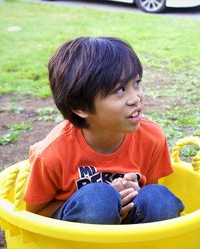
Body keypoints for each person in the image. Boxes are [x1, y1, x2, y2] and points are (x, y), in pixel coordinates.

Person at [24, 37, 184, 224]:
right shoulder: (52, 153)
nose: (136, 98)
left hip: (133, 230)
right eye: (120, 90)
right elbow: (36, 214)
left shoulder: (152, 137)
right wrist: (106, 200)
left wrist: (132, 193)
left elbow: (149, 192)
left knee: (158, 199)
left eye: (137, 83)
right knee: (98, 200)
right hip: (75, 237)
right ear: (80, 107)